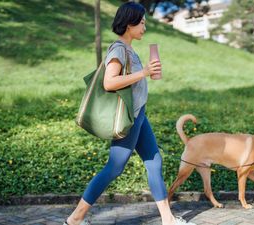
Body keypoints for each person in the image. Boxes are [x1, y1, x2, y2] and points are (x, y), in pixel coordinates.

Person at [64, 2, 196, 225]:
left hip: (139, 115)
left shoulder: (130, 49)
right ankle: (75, 218)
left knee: (154, 162)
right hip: (128, 117)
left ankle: (168, 219)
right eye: (142, 22)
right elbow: (109, 82)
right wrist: (144, 72)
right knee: (114, 167)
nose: (145, 26)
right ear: (128, 24)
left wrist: (146, 73)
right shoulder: (118, 49)